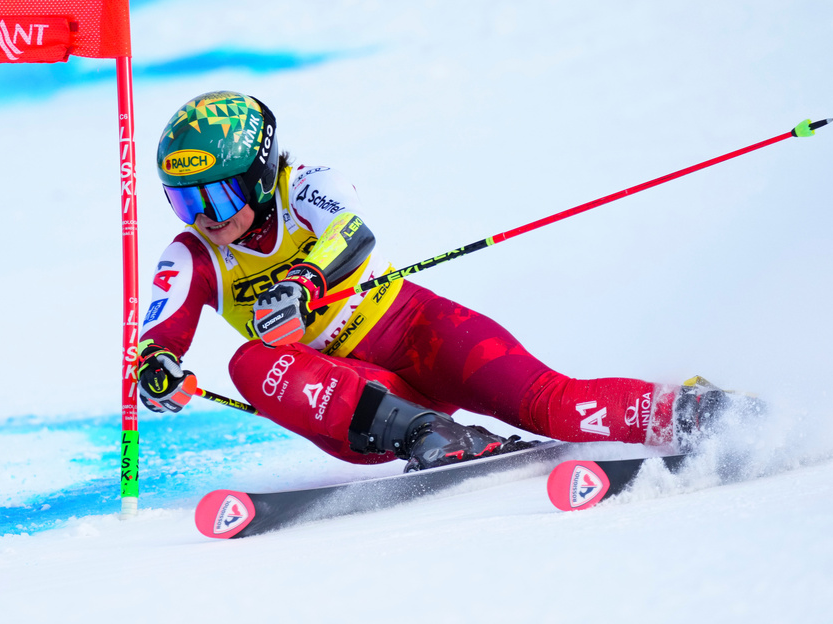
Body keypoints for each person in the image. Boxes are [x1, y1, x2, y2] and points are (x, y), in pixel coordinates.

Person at [137, 90, 745, 471]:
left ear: (261, 173)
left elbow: (353, 235)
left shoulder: (308, 184)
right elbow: (157, 342)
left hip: (414, 332)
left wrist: (302, 284)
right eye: (184, 203)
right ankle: (432, 433)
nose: (206, 219)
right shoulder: (190, 256)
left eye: (217, 195)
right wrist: (157, 371)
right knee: (251, 364)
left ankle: (697, 410)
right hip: (349, 400)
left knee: (552, 405)